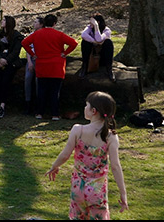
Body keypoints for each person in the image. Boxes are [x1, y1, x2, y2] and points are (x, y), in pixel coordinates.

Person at [46, 91, 129, 220]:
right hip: (97, 192)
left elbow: (65, 155)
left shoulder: (78, 130)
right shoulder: (111, 136)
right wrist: (123, 193)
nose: (84, 108)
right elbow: (116, 167)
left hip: (78, 189)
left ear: (93, 111)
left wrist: (54, 166)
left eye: (86, 105)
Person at [21, 13, 78, 120]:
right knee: (55, 92)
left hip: (42, 65)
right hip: (56, 66)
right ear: (55, 23)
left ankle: (39, 113)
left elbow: (24, 43)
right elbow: (74, 43)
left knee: (41, 91)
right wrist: (65, 53)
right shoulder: (59, 34)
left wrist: (33, 54)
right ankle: (55, 114)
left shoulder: (37, 34)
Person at [0, 15, 24, 118]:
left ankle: (2, 106)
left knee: (5, 82)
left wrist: (6, 60)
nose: (2, 21)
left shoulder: (16, 35)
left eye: (4, 20)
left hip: (11, 63)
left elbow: (15, 51)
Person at [80, 13, 115, 81]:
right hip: (92, 56)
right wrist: (94, 42)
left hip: (102, 57)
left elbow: (99, 39)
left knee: (108, 42)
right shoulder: (89, 27)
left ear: (98, 22)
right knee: (84, 42)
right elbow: (83, 35)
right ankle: (84, 66)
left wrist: (96, 26)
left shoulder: (107, 30)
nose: (90, 24)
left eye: (92, 22)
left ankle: (109, 69)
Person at [23, 17, 44, 115]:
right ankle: (27, 103)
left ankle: (38, 103)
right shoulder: (32, 35)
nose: (34, 24)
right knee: (28, 78)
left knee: (38, 81)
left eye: (36, 22)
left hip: (41, 60)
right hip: (32, 59)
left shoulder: (44, 34)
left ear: (41, 24)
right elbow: (27, 48)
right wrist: (29, 62)